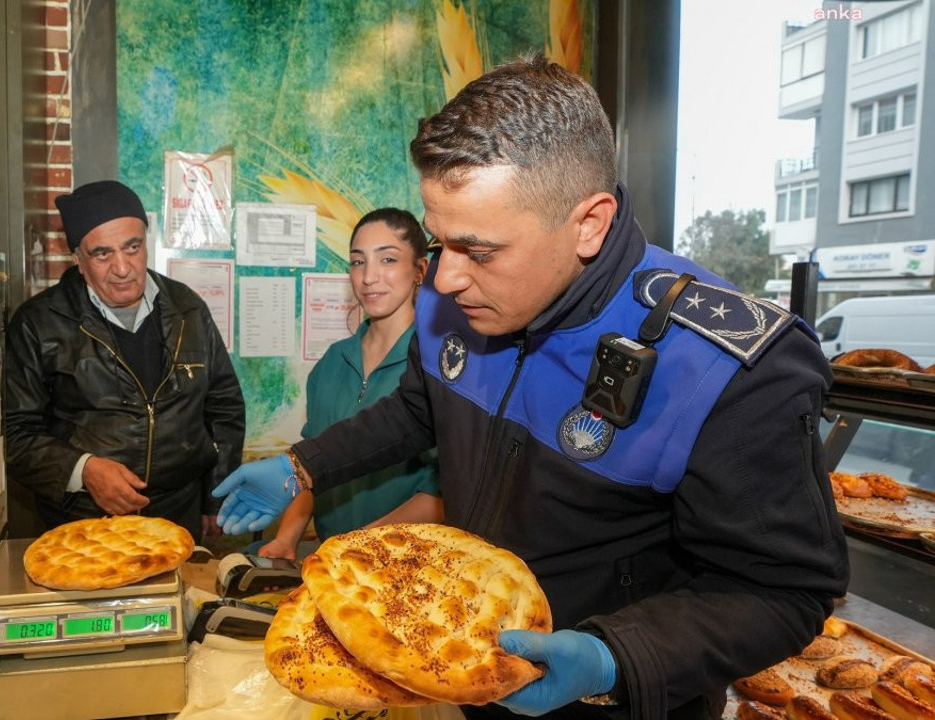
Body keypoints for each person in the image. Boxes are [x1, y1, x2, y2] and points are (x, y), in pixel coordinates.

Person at [214, 55, 848, 719]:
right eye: (439, 244)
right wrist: (303, 465)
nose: (445, 279)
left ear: (589, 223)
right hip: (468, 675)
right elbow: (416, 411)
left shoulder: (731, 372)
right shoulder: (454, 301)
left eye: (478, 250)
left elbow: (784, 590)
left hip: (617, 699)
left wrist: (614, 655)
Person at [3, 180, 245, 543]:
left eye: (132, 247)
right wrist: (82, 469)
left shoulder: (188, 309)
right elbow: (16, 436)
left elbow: (223, 407)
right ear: (79, 261)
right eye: (102, 254)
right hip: (82, 525)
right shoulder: (38, 323)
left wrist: (214, 497)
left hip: (176, 517)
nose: (122, 268)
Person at [257, 208, 442, 560]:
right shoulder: (331, 363)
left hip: (407, 566)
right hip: (334, 564)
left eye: (387, 259)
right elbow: (314, 467)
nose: (369, 277)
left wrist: (358, 547)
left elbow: (444, 496)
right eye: (358, 262)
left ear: (420, 270)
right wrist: (286, 538)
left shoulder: (437, 366)